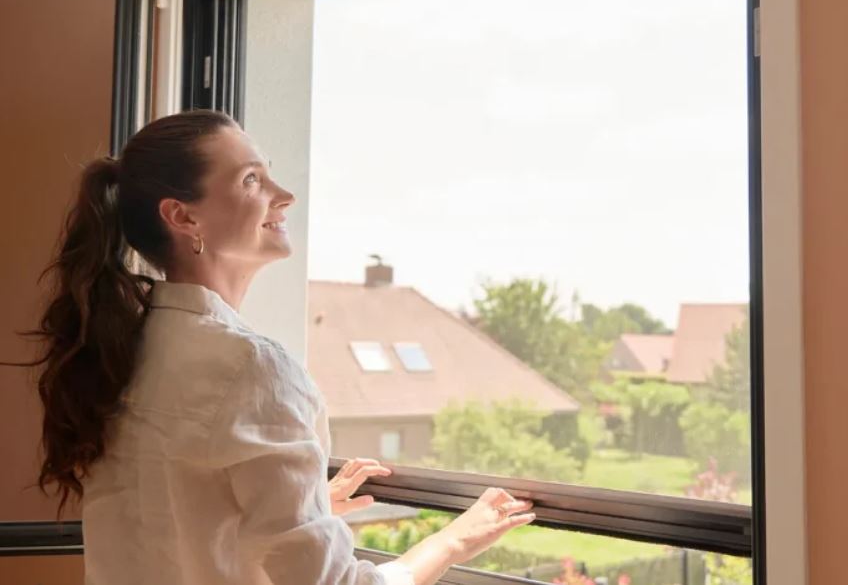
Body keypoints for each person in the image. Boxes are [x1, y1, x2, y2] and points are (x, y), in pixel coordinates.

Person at [14, 110, 536, 585]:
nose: (284, 195)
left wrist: (302, 506)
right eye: (251, 180)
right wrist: (452, 542)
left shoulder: (126, 348)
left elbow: (174, 510)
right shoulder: (252, 367)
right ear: (183, 217)